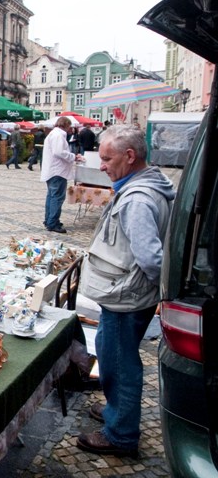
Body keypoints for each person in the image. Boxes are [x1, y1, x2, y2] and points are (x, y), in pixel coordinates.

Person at [77, 125, 175, 458]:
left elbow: (151, 256)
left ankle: (120, 433)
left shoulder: (138, 199)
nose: (101, 165)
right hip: (126, 294)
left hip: (127, 296)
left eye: (106, 158)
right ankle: (115, 411)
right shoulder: (145, 184)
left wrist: (152, 288)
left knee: (119, 364)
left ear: (129, 156)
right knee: (110, 353)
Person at [41, 116, 78, 233]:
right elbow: (59, 152)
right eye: (69, 126)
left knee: (51, 197)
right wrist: (73, 156)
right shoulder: (59, 135)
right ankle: (53, 222)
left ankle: (49, 220)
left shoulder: (53, 134)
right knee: (57, 197)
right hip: (58, 171)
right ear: (66, 125)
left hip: (52, 170)